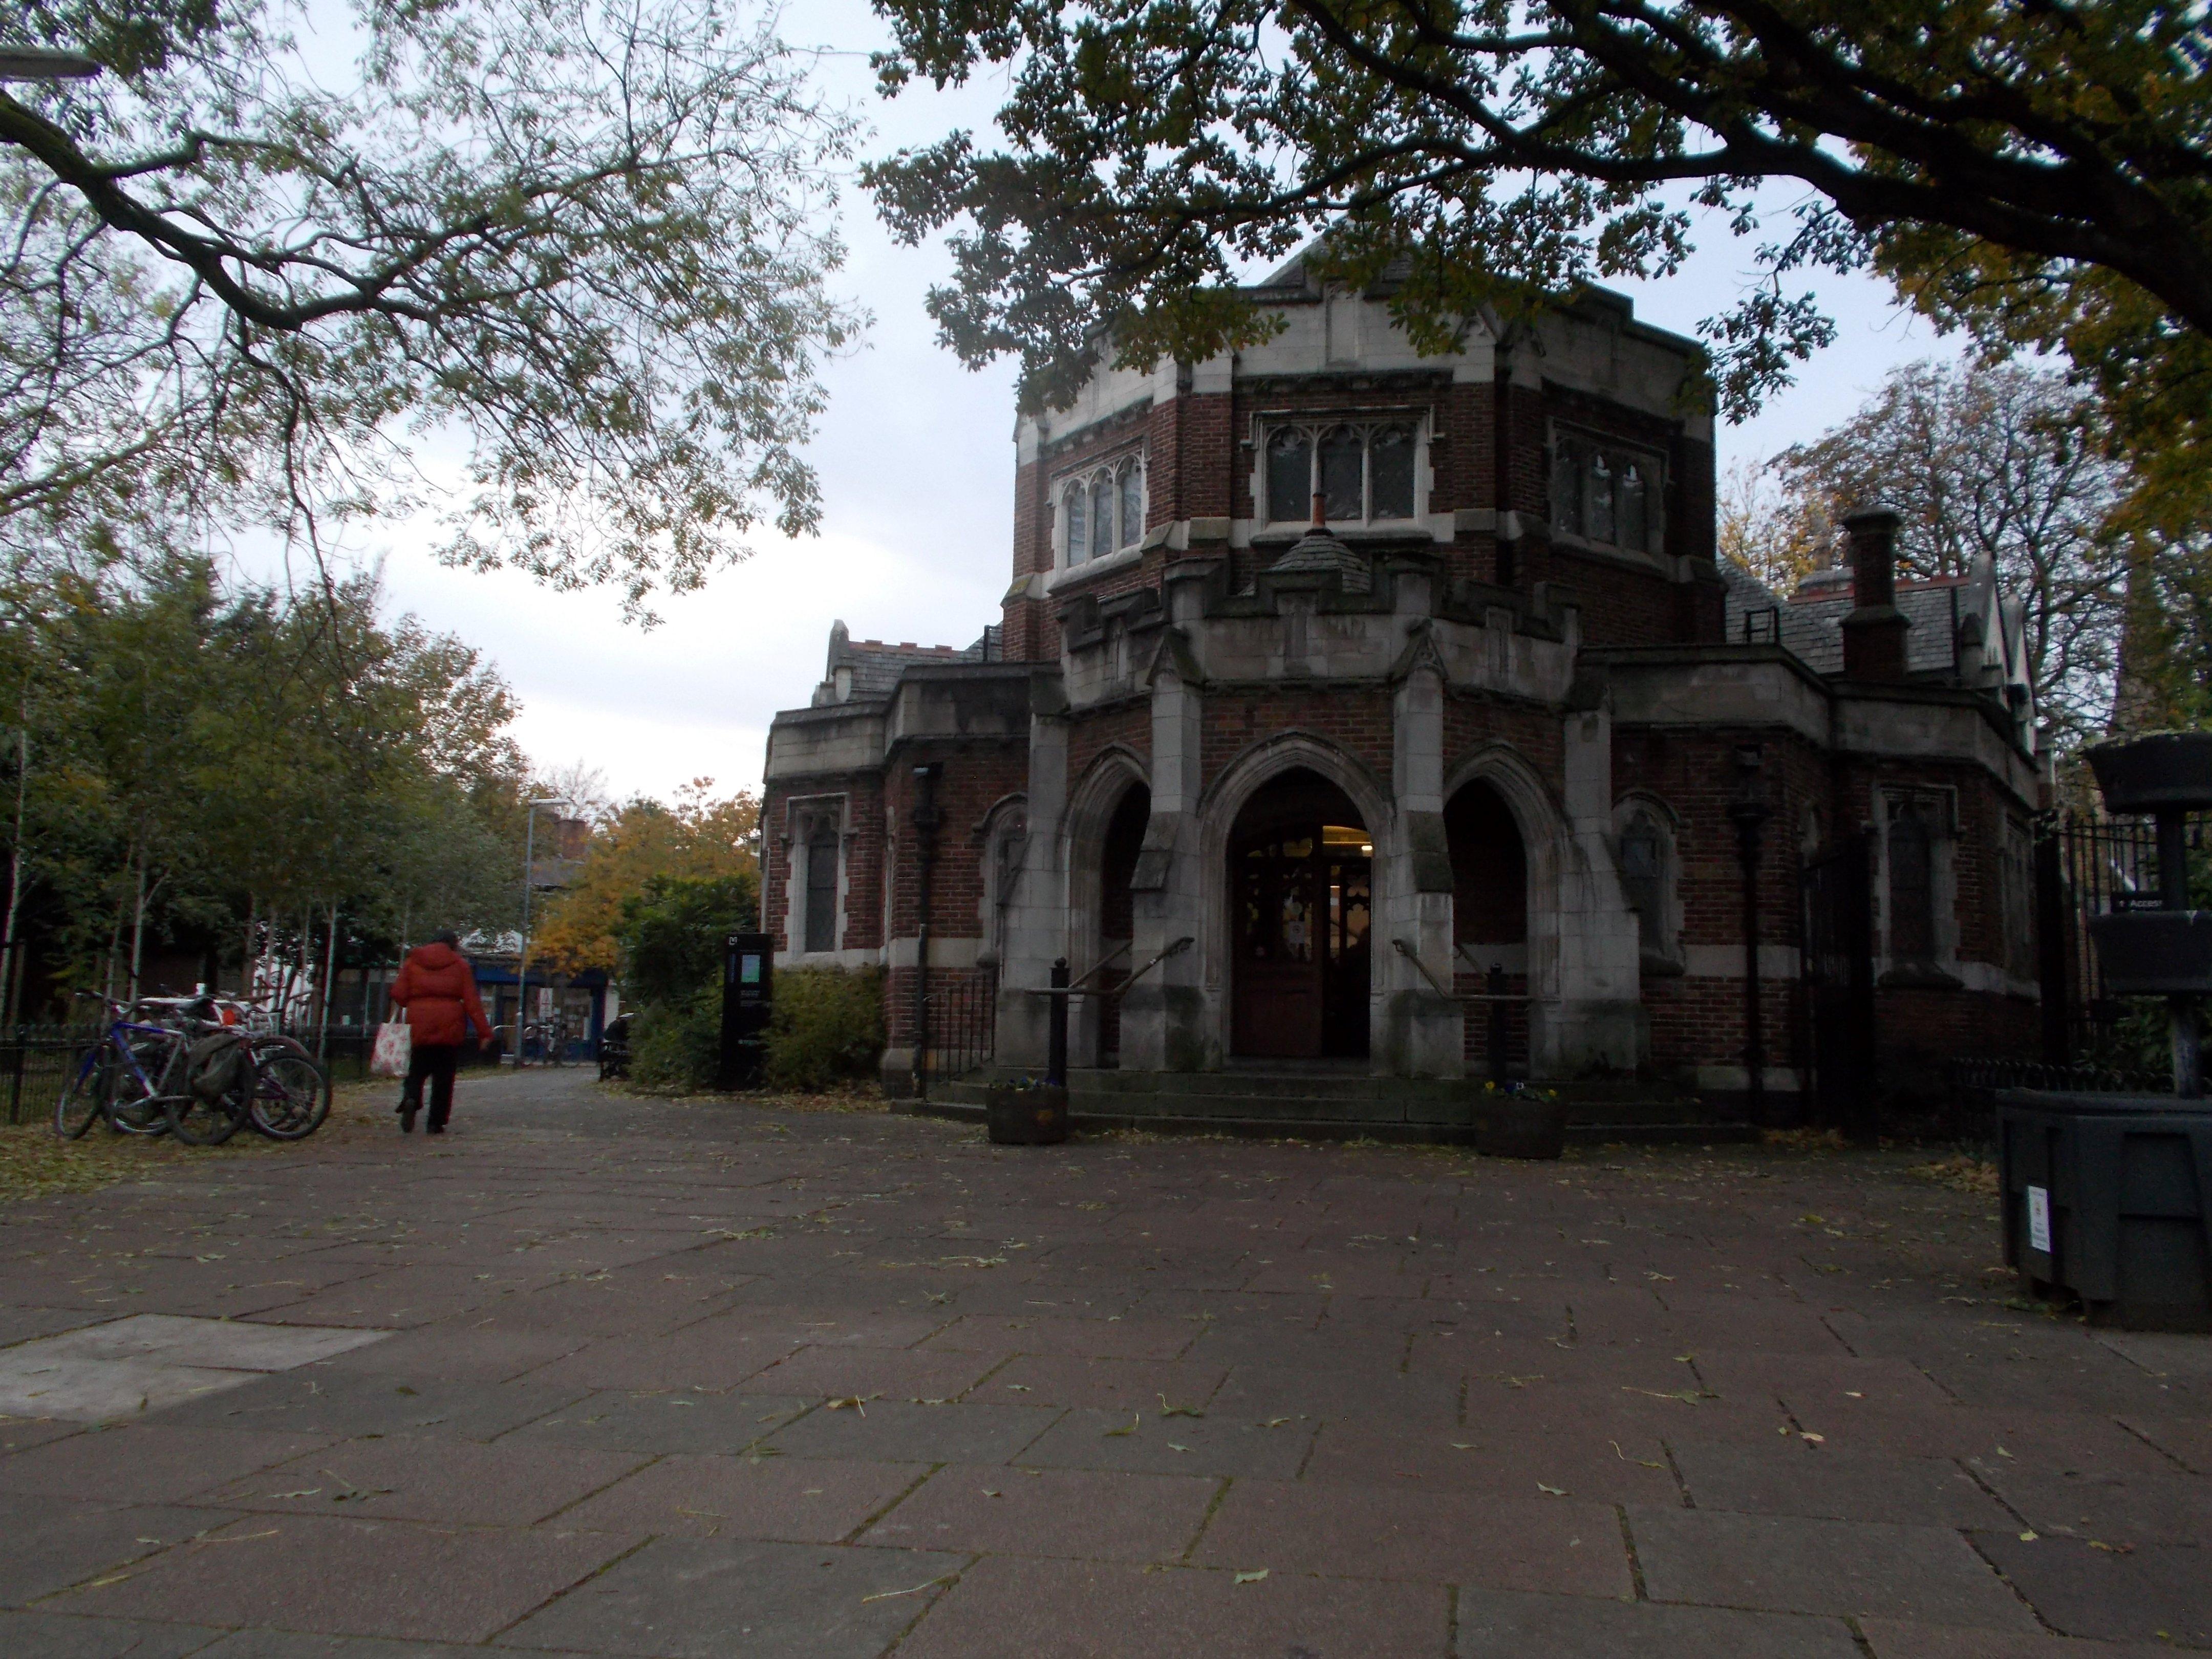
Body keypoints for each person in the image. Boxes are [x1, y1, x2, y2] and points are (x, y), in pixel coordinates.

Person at [386, 931, 494, 1134]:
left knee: (416, 1068)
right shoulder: (460, 965)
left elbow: (399, 995)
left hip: (419, 1023)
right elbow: (472, 1003)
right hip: (449, 1025)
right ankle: (436, 1123)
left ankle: (411, 1097)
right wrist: (485, 1033)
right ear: (453, 945)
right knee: (444, 1077)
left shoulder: (413, 962)